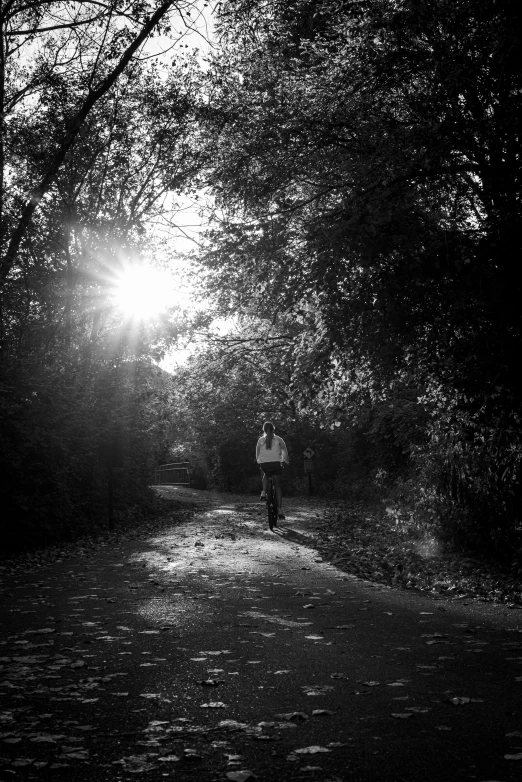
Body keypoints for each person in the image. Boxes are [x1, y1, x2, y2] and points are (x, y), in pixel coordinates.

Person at [256, 421, 289, 520]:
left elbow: (257, 454)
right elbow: (285, 452)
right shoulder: (279, 439)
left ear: (264, 430)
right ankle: (279, 509)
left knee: (266, 474)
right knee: (277, 486)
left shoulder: (261, 440)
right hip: (276, 464)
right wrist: (285, 461)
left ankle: (264, 492)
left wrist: (259, 462)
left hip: (264, 464)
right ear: (273, 429)